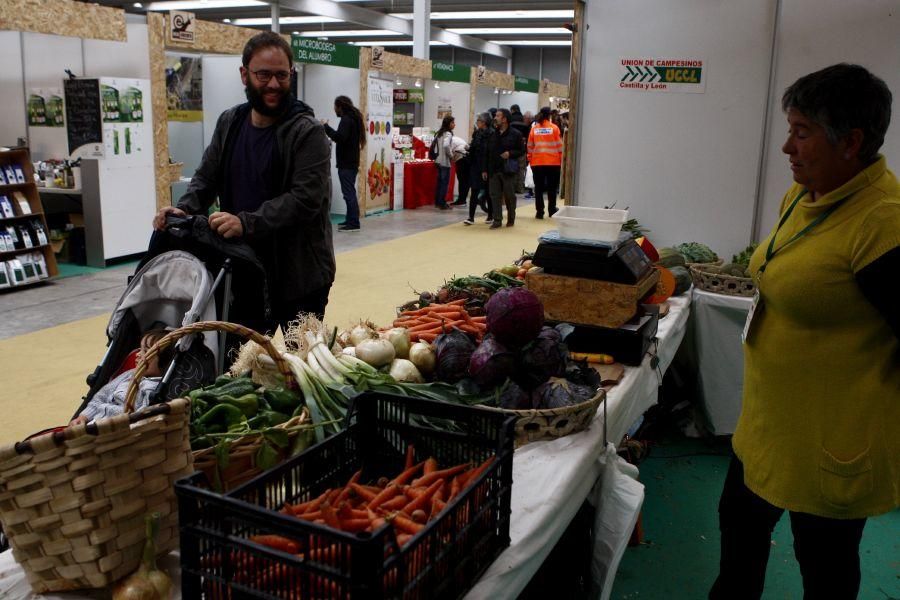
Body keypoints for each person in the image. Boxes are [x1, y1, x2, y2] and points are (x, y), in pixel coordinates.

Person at [709, 64, 900, 600]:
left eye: (802, 132)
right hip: (768, 425)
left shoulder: (883, 224)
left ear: (852, 142)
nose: (787, 148)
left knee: (826, 568)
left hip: (830, 442)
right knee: (738, 540)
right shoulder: (805, 194)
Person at [152, 32, 335, 342]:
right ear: (244, 74)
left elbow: (305, 200)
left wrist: (244, 222)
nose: (274, 84)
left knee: (303, 368)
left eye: (282, 75)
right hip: (244, 271)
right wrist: (183, 210)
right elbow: (206, 177)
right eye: (264, 74)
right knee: (239, 368)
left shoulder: (307, 133)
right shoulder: (230, 122)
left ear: (291, 74)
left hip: (300, 278)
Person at [72, 330, 175, 424]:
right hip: (93, 422)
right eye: (140, 349)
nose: (138, 354)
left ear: (165, 362)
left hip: (116, 429)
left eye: (145, 351)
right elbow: (102, 395)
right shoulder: (129, 374)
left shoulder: (153, 389)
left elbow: (141, 418)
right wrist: (83, 417)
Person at [322, 95, 364, 232]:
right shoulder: (354, 119)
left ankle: (353, 223)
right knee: (349, 192)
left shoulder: (346, 120)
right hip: (351, 162)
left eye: (335, 107)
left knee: (348, 193)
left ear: (340, 107)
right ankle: (351, 219)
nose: (334, 110)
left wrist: (326, 127)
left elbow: (340, 138)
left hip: (347, 163)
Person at [483, 108, 525, 229]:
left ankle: (511, 218)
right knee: (494, 195)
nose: (495, 118)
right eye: (495, 116)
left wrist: (510, 153)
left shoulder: (516, 134)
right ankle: (497, 220)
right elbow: (487, 152)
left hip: (508, 170)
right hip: (494, 169)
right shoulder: (493, 134)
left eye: (498, 116)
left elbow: (521, 151)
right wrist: (485, 169)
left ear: (505, 119)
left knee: (509, 195)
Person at [527, 107, 564, 219]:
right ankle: (552, 210)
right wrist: (561, 159)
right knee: (552, 188)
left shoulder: (534, 129)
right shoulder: (554, 128)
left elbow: (529, 146)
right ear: (549, 116)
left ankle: (539, 212)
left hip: (537, 163)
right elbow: (559, 146)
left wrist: (530, 159)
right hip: (553, 163)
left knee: (538, 188)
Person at [464, 113, 493, 225]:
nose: (477, 122)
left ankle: (490, 215)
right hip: (475, 166)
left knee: (489, 191)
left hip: (487, 166)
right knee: (474, 190)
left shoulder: (492, 134)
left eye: (479, 121)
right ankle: (471, 217)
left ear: (484, 122)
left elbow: (490, 152)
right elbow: (473, 148)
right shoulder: (477, 133)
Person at [432, 115, 455, 210]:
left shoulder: (440, 133)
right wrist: (451, 155)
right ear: (448, 124)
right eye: (452, 123)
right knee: (444, 183)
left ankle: (438, 202)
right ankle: (442, 203)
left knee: (439, 182)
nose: (454, 124)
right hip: (445, 162)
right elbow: (446, 146)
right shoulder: (448, 134)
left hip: (438, 161)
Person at [450, 133, 470, 207]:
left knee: (462, 180)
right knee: (465, 181)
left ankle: (461, 200)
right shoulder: (457, 138)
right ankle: (462, 200)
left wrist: (451, 158)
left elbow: (448, 151)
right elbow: (467, 146)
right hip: (466, 158)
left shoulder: (449, 140)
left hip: (461, 159)